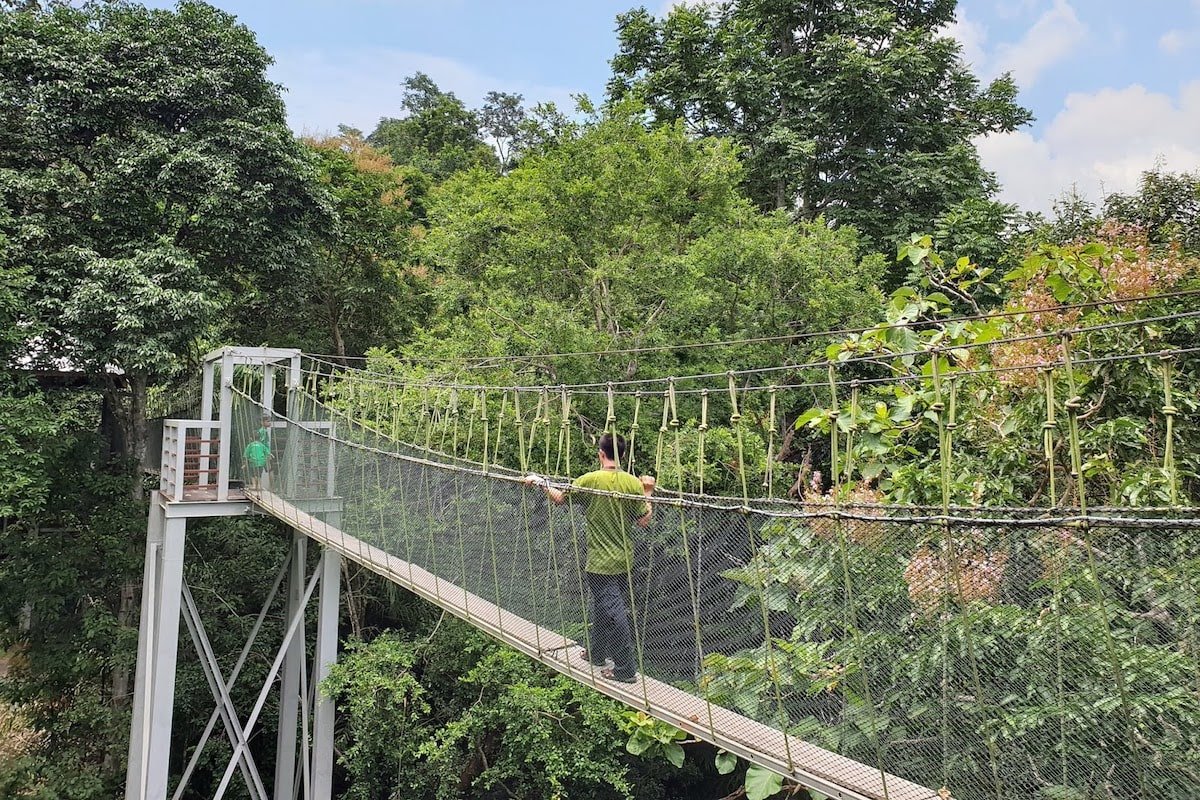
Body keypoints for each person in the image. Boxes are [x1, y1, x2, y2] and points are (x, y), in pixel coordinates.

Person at [524, 433, 655, 683]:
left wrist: (541, 482)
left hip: (599, 563)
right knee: (603, 607)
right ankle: (596, 653)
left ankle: (625, 670)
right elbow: (643, 520)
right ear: (623, 455)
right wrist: (648, 492)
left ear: (601, 454)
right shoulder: (632, 484)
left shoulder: (590, 480)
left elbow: (560, 499)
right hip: (624, 560)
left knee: (613, 612)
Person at [243, 413, 273, 489]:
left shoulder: (263, 431)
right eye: (268, 421)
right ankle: (268, 487)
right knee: (268, 470)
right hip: (262, 455)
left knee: (261, 470)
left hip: (263, 454)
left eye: (270, 421)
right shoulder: (262, 431)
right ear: (262, 422)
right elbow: (262, 443)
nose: (269, 423)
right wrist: (267, 453)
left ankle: (259, 486)